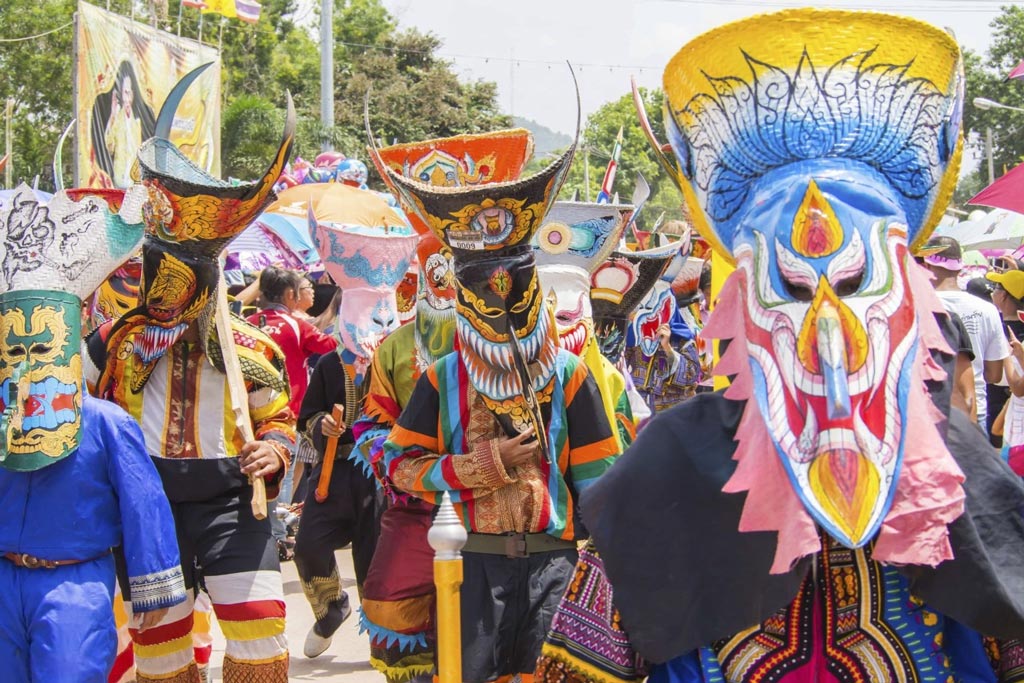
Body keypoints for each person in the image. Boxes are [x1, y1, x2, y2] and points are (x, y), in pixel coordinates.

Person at [537, 10, 1024, 683]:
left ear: (912, 299)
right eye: (790, 289)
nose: (832, 339)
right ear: (742, 306)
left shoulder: (958, 469)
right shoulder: (665, 470)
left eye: (857, 284)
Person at [374, 128, 621, 683]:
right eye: (485, 291)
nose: (501, 303)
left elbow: (601, 477)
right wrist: (486, 465)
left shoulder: (569, 375)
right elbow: (399, 467)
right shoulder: (443, 379)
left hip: (555, 563)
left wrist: (611, 566)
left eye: (514, 289)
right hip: (468, 564)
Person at [85, 73, 297, 683]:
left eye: (186, 276)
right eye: (162, 271)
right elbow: (65, 394)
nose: (171, 287)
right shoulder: (118, 338)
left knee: (260, 635)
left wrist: (272, 453)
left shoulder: (252, 345)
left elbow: (279, 419)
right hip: (145, 506)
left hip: (235, 504)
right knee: (163, 650)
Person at [0, 185, 185, 682]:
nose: (27, 353)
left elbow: (143, 505)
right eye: (15, 345)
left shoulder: (107, 423)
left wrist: (150, 588)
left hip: (74, 581)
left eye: (41, 344)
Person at [296, 196, 419, 659]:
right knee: (308, 547)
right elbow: (305, 416)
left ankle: (380, 645)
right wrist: (322, 428)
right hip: (335, 470)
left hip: (384, 474)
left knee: (374, 563)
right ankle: (331, 607)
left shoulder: (406, 361)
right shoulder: (330, 362)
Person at [248, 267, 338, 560]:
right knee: (284, 474)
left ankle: (266, 528)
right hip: (288, 411)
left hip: (250, 412)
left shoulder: (250, 322)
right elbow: (331, 347)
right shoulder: (295, 325)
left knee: (261, 472)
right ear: (290, 295)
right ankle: (277, 534)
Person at [535, 200, 639, 448]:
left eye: (564, 317)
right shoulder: (493, 379)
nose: (553, 335)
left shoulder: (611, 380)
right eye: (538, 317)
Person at [923, 235, 1009, 428]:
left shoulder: (920, 306)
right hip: (976, 411)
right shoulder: (988, 309)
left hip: (931, 411)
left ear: (927, 266)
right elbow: (994, 375)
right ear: (960, 268)